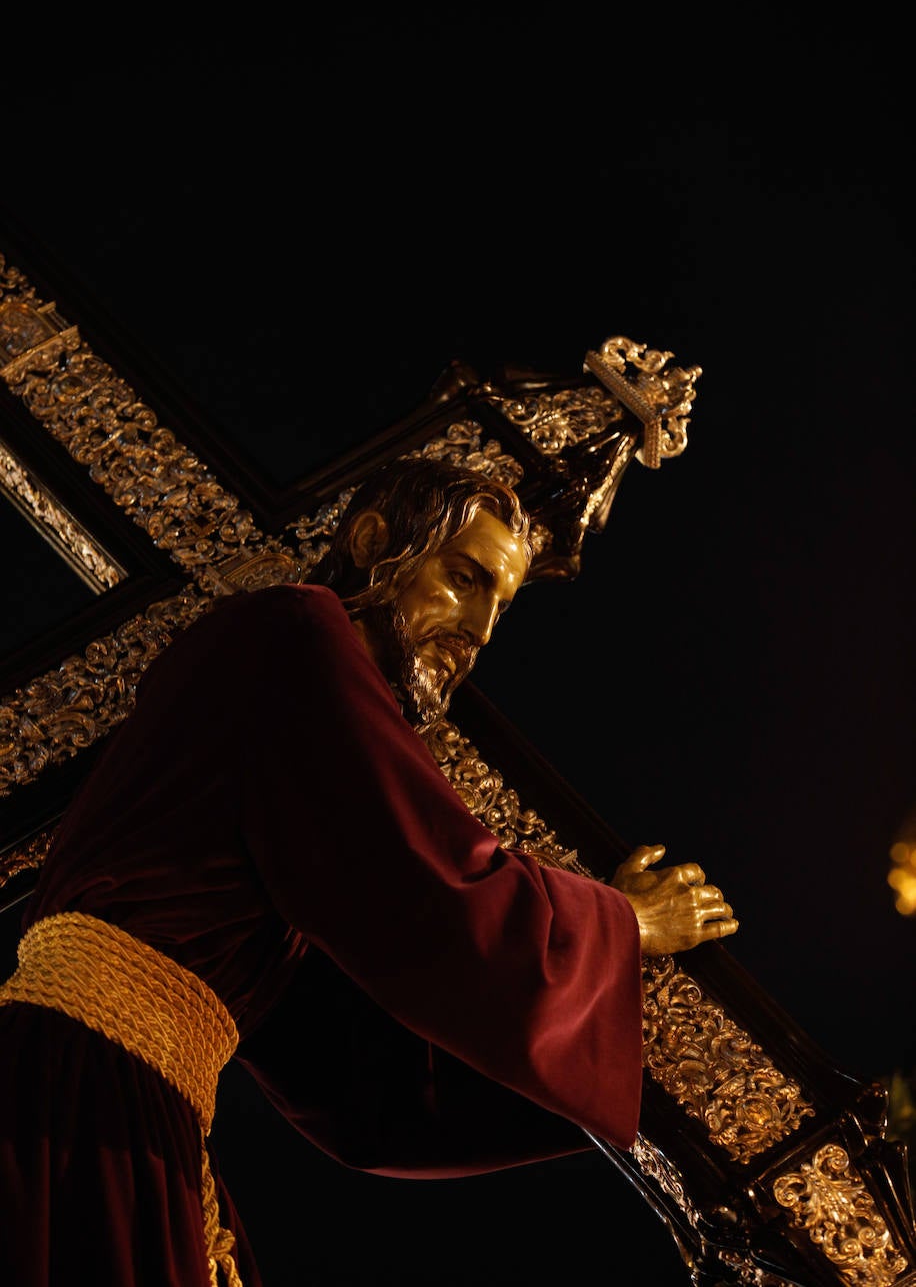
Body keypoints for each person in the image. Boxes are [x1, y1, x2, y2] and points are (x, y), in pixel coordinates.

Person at [0, 456, 738, 1286]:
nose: (483, 627)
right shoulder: (297, 632)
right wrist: (619, 924)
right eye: (466, 578)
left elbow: (366, 1090)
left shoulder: (287, 783)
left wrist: (605, 1056)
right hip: (79, 1098)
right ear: (374, 539)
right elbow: (436, 886)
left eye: (503, 603)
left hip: (124, 1105)